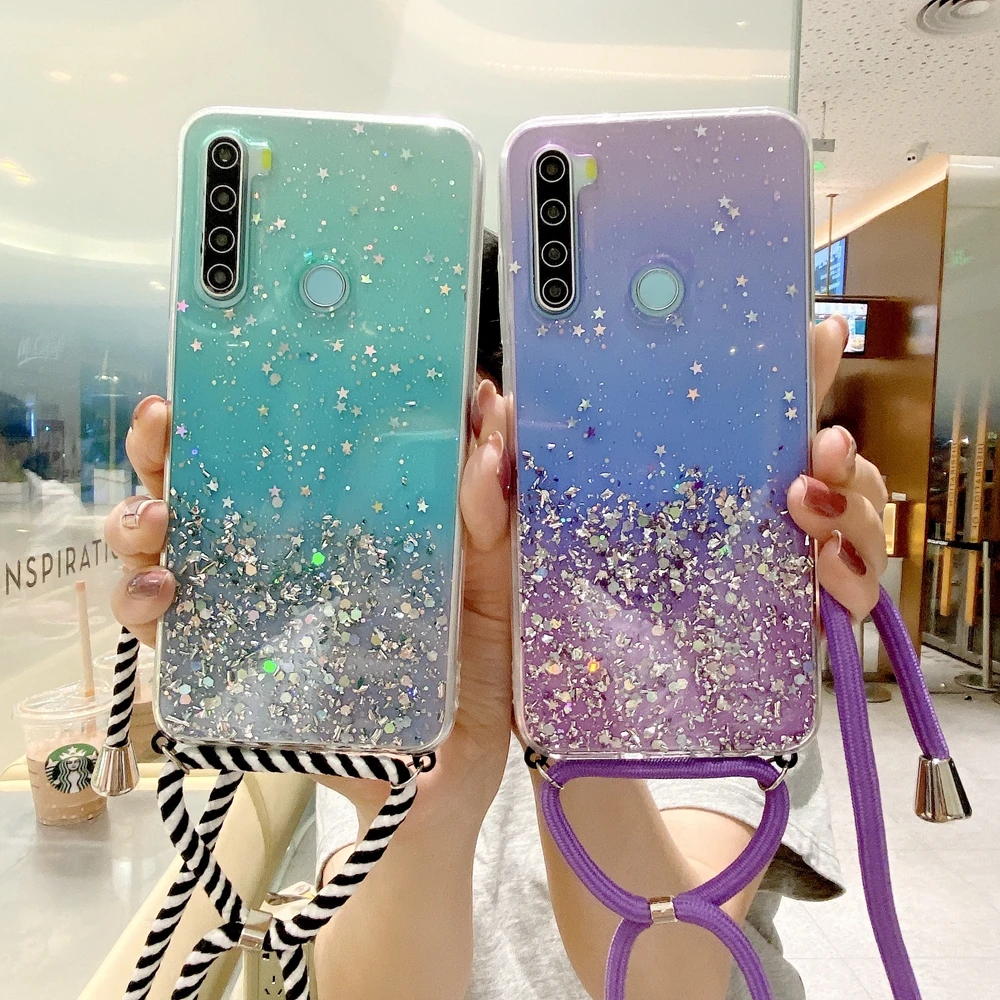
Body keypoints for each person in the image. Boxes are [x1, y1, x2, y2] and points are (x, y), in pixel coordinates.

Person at [105, 233, 888, 1000]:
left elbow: (670, 980)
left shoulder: (693, 618)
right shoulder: (374, 625)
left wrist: (566, 681)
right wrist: (421, 810)